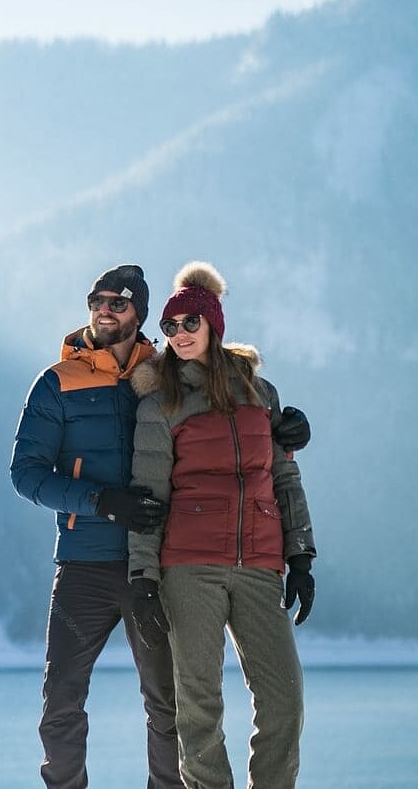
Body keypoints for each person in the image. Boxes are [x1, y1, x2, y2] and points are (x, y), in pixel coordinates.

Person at [125, 262, 317, 789]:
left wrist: (300, 556)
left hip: (260, 566)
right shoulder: (160, 401)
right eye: (170, 327)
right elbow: (148, 496)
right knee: (199, 706)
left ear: (213, 324)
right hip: (188, 568)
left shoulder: (261, 393)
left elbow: (284, 478)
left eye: (190, 323)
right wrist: (143, 576)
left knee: (284, 702)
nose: (179, 335)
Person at [11, 264, 183, 789]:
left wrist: (279, 423)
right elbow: (26, 476)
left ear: (140, 314)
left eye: (118, 302)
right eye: (97, 300)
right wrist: (101, 501)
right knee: (61, 699)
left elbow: (225, 405)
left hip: (151, 565)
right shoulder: (57, 382)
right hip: (83, 564)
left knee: (169, 703)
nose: (104, 310)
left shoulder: (166, 374)